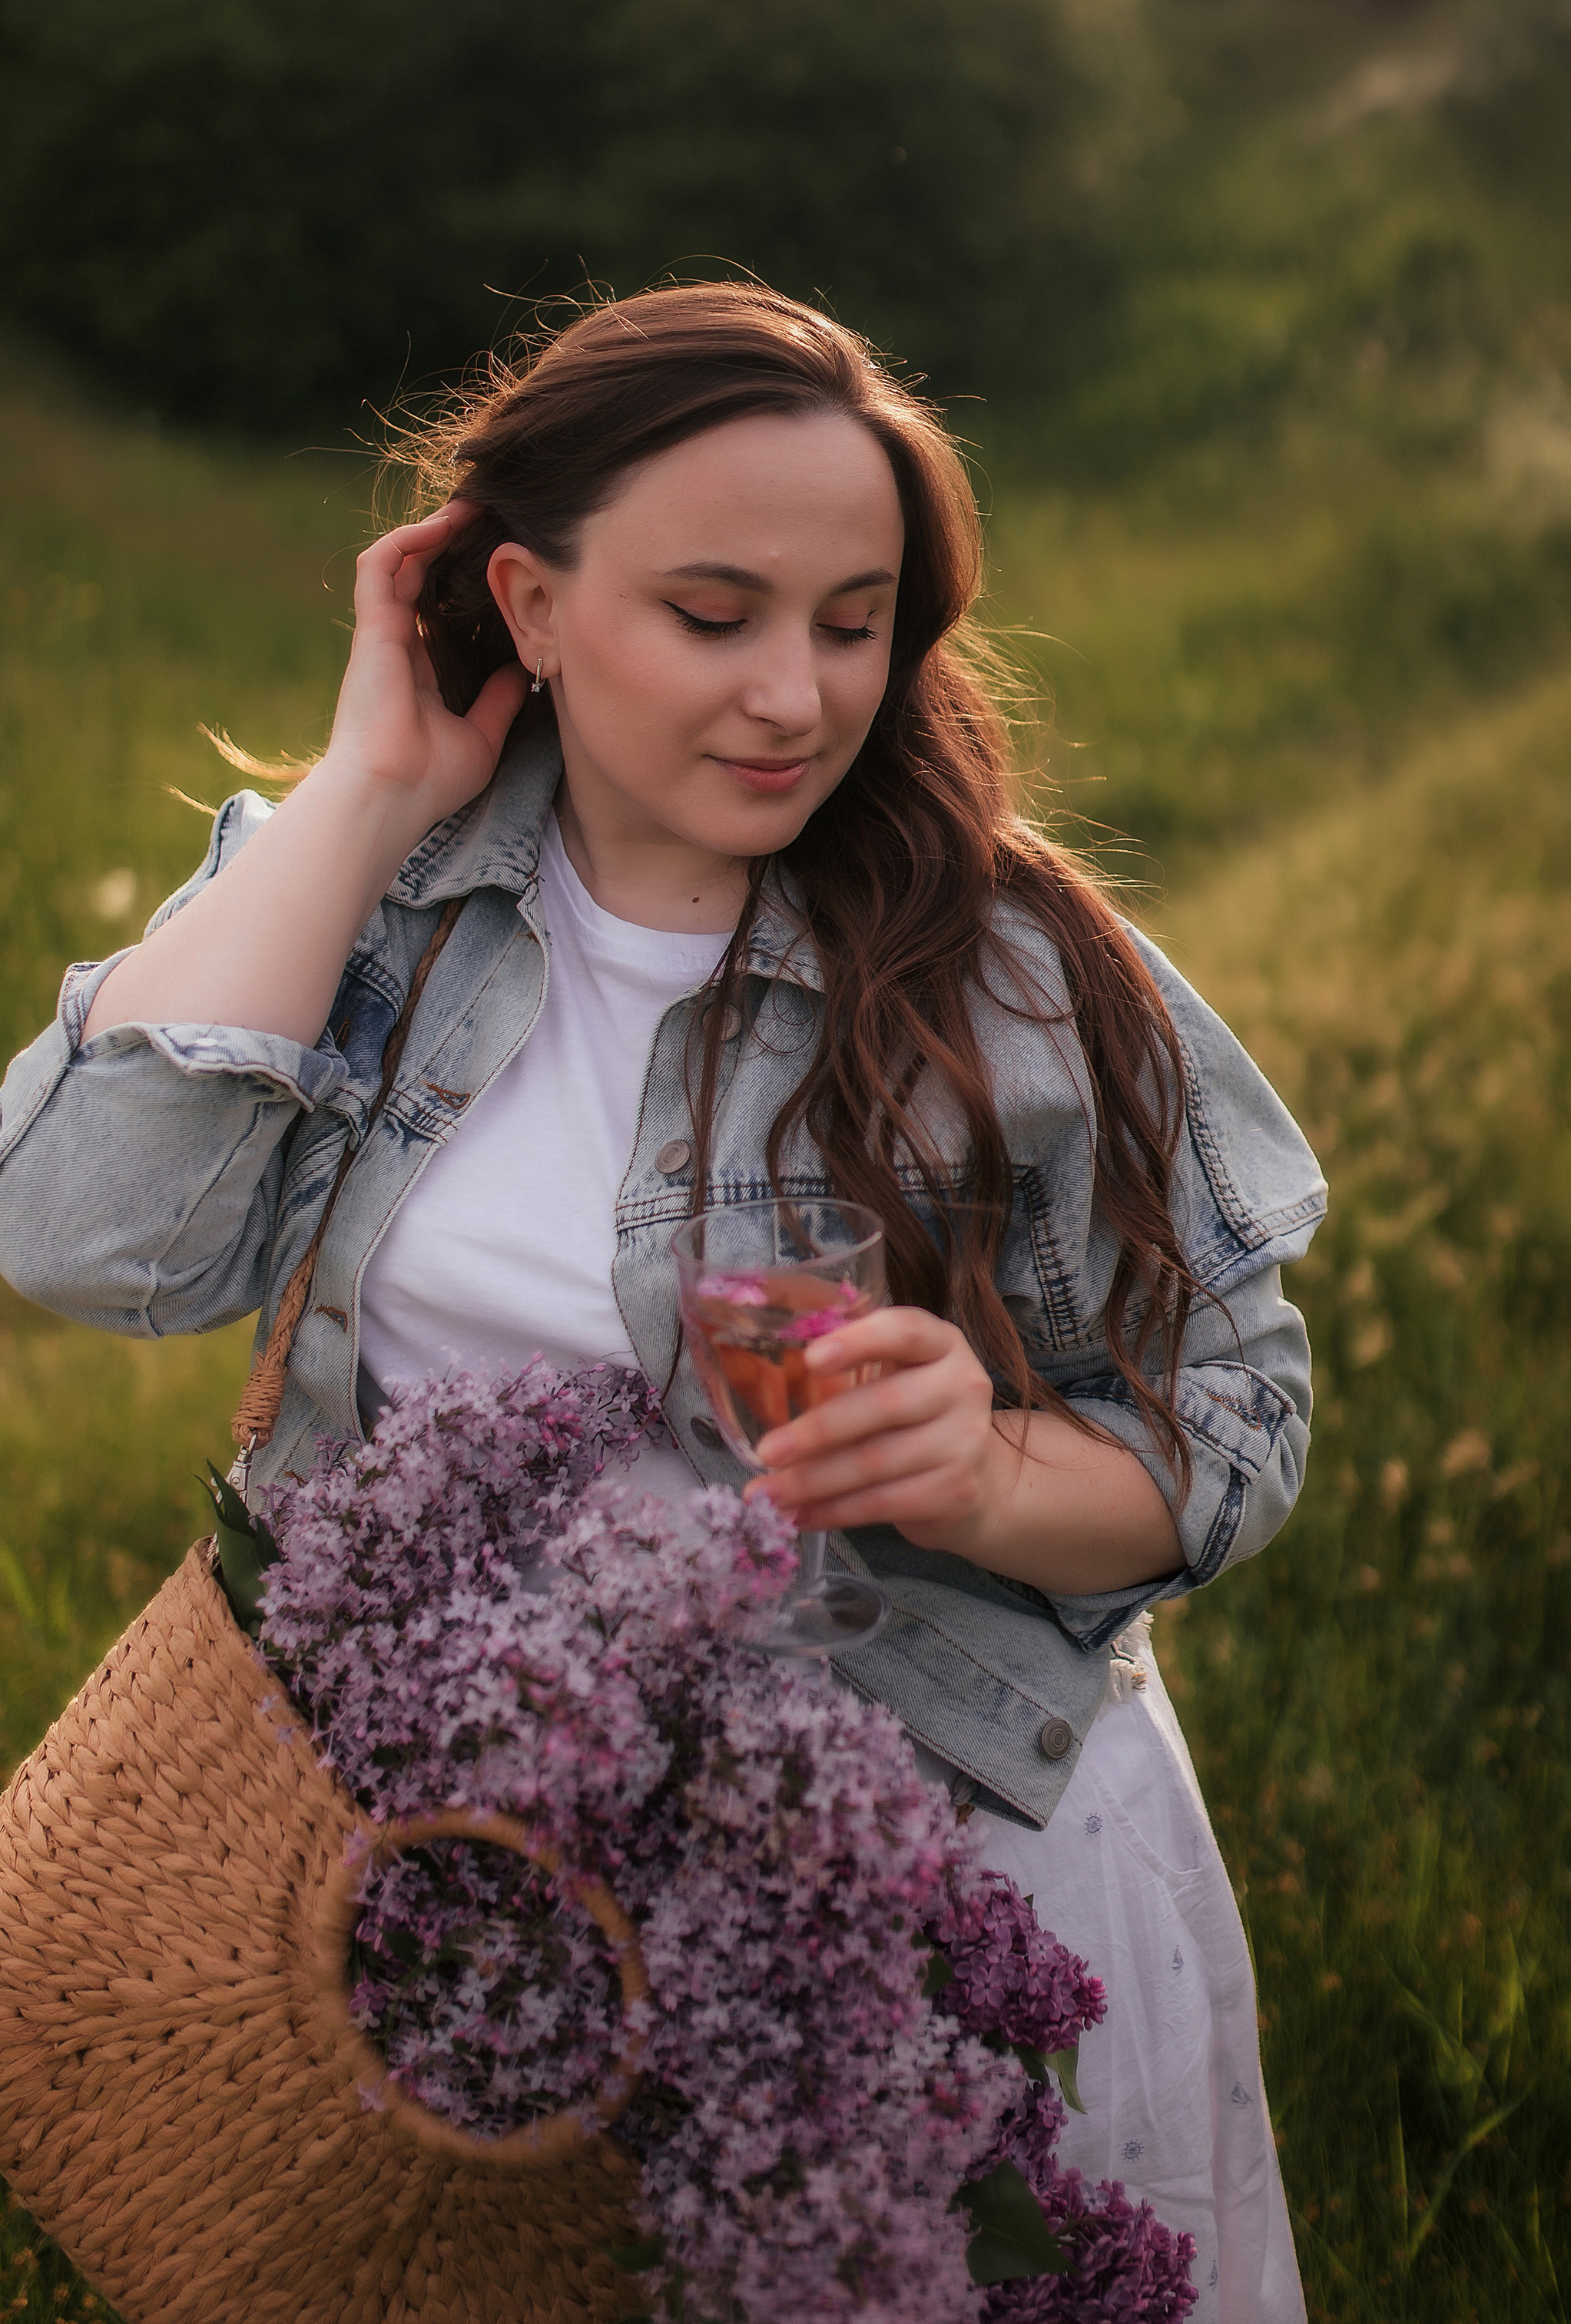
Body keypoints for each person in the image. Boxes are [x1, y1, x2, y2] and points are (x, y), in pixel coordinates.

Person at [0, 283, 1324, 2321]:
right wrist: (365, 791)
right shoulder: (378, 908)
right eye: (714, 616)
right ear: (525, 602)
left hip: (908, 1903)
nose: (797, 695)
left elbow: (1230, 1427)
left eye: (853, 620)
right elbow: (83, 1241)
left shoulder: (1019, 973)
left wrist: (980, 1473)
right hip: (463, 1899)